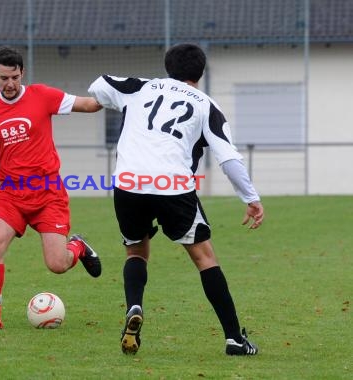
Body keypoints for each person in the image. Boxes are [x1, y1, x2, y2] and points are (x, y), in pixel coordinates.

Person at [88, 43, 264, 355]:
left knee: (136, 252)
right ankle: (235, 339)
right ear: (201, 71)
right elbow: (229, 159)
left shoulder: (140, 87)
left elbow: (98, 85)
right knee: (204, 258)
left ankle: (135, 307)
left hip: (128, 183)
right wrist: (251, 198)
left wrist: (121, 101)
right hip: (173, 186)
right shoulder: (207, 105)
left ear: (168, 67)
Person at [0, 46, 103, 330]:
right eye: (4, 78)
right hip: (10, 193)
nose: (10, 84)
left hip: (47, 192)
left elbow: (88, 105)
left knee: (57, 264)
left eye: (15, 77)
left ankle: (77, 246)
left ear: (22, 73)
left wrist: (116, 94)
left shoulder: (42, 95)